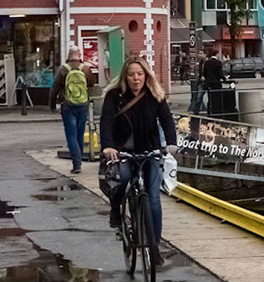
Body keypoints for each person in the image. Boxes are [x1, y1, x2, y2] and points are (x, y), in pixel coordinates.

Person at [99, 58, 178, 251]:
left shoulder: (154, 95)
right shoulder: (115, 96)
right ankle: (116, 210)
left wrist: (171, 143)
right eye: (132, 74)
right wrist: (108, 146)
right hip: (123, 152)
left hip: (149, 151)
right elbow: (106, 121)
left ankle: (155, 246)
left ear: (146, 75)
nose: (136, 78)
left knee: (153, 198)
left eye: (140, 74)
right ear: (125, 76)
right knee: (122, 179)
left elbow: (167, 120)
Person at [53, 51, 92, 174]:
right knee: (80, 134)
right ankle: (78, 161)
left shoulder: (62, 70)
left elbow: (54, 88)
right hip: (83, 105)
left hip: (68, 105)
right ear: (79, 56)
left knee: (71, 135)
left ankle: (76, 164)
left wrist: (52, 105)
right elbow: (91, 83)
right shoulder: (86, 69)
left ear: (68, 56)